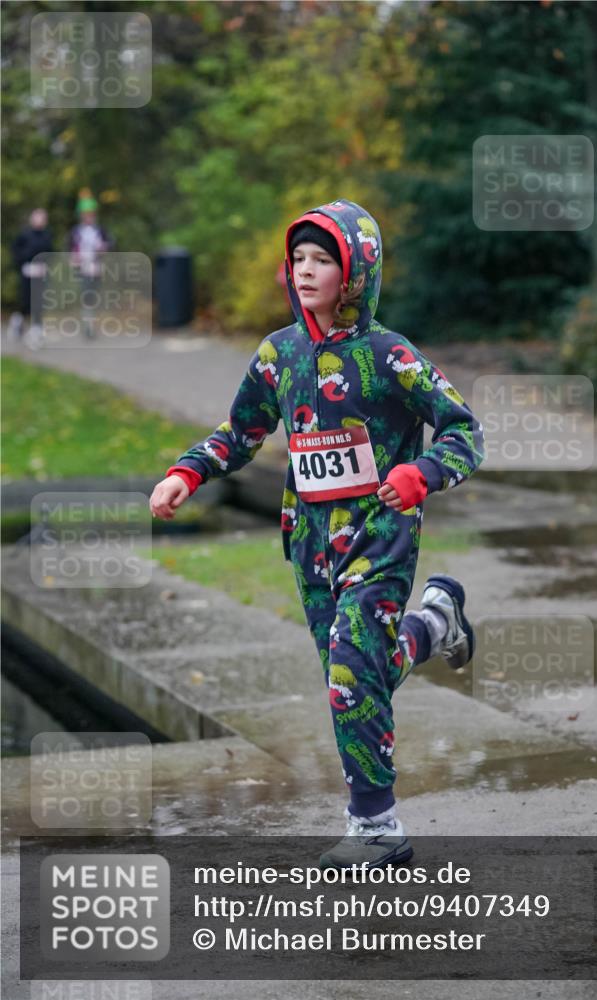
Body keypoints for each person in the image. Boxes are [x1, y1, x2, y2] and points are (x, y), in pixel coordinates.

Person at [150, 199, 485, 868]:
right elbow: (241, 432)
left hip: (380, 535)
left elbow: (462, 430)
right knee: (356, 674)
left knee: (350, 674)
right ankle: (434, 625)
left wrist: (421, 474)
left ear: (355, 271)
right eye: (297, 258)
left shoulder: (390, 357)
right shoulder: (279, 354)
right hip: (308, 544)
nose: (304, 270)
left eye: (322, 259)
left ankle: (376, 827)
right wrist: (188, 473)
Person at [67, 189, 113, 338]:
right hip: (82, 267)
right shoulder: (75, 232)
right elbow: (69, 249)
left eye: (91, 214)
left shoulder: (100, 230)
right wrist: (73, 258)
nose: (89, 217)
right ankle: (88, 325)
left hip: (96, 266)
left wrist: (103, 249)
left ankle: (91, 323)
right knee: (87, 295)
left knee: (94, 296)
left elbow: (110, 244)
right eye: (86, 214)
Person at [8, 208, 53, 348]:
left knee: (38, 303)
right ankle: (18, 321)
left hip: (41, 274)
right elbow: (15, 252)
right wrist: (24, 262)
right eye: (38, 217)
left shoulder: (47, 236)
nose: (40, 220)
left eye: (43, 218)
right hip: (27, 273)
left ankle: (36, 333)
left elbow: (50, 253)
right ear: (32, 219)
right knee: (27, 303)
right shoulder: (24, 235)